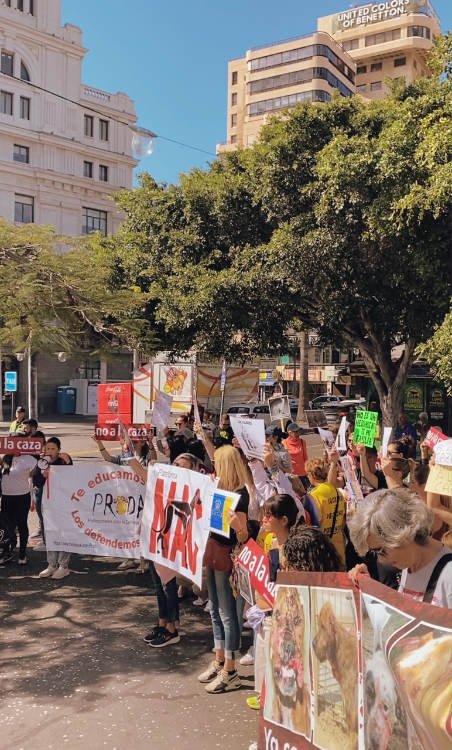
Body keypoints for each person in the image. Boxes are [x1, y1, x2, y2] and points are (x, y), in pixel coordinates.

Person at [199, 444, 250, 694]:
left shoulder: (240, 495)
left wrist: (237, 525)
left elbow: (243, 536)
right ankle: (219, 659)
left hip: (226, 556)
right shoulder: (218, 488)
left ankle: (231, 670)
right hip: (212, 552)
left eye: (218, 462)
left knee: (227, 613)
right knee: (215, 612)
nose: (214, 466)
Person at [348, 488, 452, 608]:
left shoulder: (449, 575)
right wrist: (370, 589)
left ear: (403, 533)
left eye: (381, 551)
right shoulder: (409, 565)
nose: (381, 560)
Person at [94, 434, 156, 570]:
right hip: (125, 497)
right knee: (127, 527)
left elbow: (154, 459)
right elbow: (108, 458)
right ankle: (129, 558)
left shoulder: (147, 458)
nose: (133, 442)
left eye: (135, 440)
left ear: (142, 443)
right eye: (131, 440)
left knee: (142, 529)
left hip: (143, 499)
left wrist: (151, 443)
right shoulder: (124, 457)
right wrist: (99, 443)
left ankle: (143, 561)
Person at [38, 437, 74, 580]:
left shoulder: (63, 461)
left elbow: (74, 476)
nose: (50, 451)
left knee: (64, 532)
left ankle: (63, 566)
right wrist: (43, 474)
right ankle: (52, 564)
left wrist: (69, 460)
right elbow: (37, 482)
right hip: (48, 504)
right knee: (50, 532)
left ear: (59, 450)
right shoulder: (41, 463)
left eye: (53, 449)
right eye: (48, 448)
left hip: (64, 503)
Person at [303, 458, 346, 564]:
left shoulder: (313, 496)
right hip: (339, 546)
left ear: (312, 475)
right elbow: (343, 521)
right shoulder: (337, 492)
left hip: (323, 548)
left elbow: (311, 525)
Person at [0, 451, 37, 564]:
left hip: (22, 497)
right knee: (7, 527)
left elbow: (35, 473)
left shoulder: (29, 458)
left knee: (22, 524)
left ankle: (22, 554)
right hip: (6, 498)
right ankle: (7, 552)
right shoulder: (4, 458)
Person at [283, 422, 309, 488]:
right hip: (292, 475)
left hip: (303, 474)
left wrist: (308, 470)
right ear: (290, 433)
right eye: (295, 432)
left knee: (304, 494)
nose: (298, 434)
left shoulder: (303, 442)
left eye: (298, 431)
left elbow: (305, 457)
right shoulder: (284, 443)